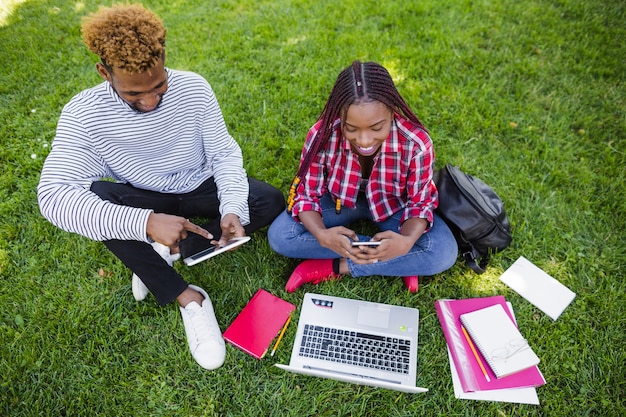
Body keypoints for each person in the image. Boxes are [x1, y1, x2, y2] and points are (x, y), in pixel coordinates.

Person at [37, 4, 284, 370]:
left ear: (165, 58)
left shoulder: (194, 89)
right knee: (99, 203)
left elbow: (223, 154)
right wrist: (146, 222)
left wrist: (232, 207)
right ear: (104, 73)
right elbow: (53, 196)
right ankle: (188, 297)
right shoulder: (84, 114)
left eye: (158, 87)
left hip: (199, 183)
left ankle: (163, 251)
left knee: (269, 200)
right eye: (134, 95)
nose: (150, 102)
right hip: (143, 195)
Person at [268, 60, 457, 293]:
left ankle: (339, 264)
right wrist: (321, 234)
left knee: (443, 252)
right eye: (351, 128)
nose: (364, 140)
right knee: (280, 237)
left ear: (392, 113)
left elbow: (420, 202)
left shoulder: (416, 142)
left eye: (377, 128)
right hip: (339, 202)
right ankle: (401, 262)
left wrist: (406, 241)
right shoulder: (322, 135)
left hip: (394, 206)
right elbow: (306, 194)